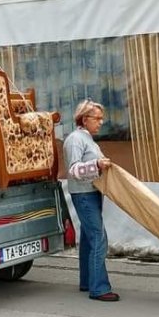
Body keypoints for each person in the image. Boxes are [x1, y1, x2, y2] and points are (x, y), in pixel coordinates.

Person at [63, 99, 119, 302]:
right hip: (84, 194)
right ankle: (99, 288)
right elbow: (73, 170)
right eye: (97, 118)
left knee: (88, 238)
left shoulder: (86, 139)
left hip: (90, 192)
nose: (101, 122)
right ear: (85, 119)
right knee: (98, 238)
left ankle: (87, 281)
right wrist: (96, 164)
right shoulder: (75, 139)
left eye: (101, 118)